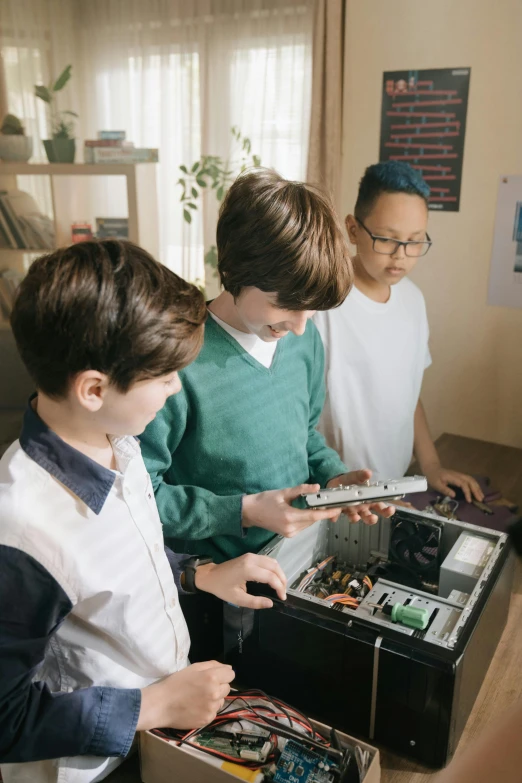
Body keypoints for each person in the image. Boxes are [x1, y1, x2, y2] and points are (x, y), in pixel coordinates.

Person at [0, 240, 288, 783]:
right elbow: (5, 718)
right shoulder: (21, 531)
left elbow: (128, 554)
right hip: (97, 766)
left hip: (158, 721)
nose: (176, 387)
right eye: (163, 378)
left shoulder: (115, 435)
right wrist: (153, 706)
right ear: (93, 388)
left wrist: (199, 573)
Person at [140, 168, 395, 566]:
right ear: (238, 270)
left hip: (297, 561)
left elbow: (303, 434)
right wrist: (242, 510)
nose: (298, 325)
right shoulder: (177, 363)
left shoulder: (303, 338)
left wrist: (333, 477)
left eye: (310, 308)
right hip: (216, 584)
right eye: (287, 305)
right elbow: (139, 495)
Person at [315, 161, 483, 503]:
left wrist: (431, 465)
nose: (401, 256)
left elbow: (409, 393)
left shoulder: (412, 300)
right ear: (352, 229)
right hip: (333, 492)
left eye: (415, 242)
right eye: (388, 239)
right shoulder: (320, 303)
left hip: (395, 488)